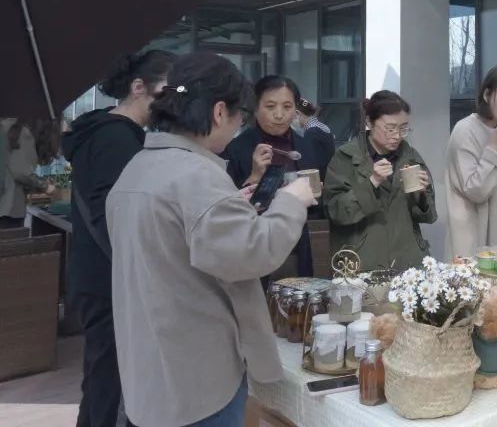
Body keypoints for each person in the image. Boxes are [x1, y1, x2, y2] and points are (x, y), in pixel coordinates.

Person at [107, 52, 315, 427]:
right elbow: (254, 252)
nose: (237, 127)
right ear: (219, 112)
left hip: (149, 370)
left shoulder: (137, 168)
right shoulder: (196, 174)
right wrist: (291, 201)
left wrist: (229, 207)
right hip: (198, 379)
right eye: (239, 117)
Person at [62, 50, 174, 427]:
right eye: (165, 93)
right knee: (111, 383)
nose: (171, 103)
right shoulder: (116, 139)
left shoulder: (107, 132)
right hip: (110, 280)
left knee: (102, 379)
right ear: (138, 87)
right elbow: (116, 219)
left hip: (98, 275)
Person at [222, 75, 324, 278]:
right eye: (270, 106)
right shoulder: (235, 149)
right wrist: (254, 176)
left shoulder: (304, 146)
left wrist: (315, 193)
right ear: (255, 108)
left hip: (296, 246)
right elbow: (225, 209)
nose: (279, 115)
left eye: (287, 107)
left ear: (295, 110)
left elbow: (314, 207)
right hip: (253, 248)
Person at [323, 90, 437, 268]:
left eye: (403, 128)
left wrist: (420, 196)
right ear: (369, 122)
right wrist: (371, 183)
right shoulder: (345, 157)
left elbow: (429, 216)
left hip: (407, 262)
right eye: (390, 129)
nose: (397, 136)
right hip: (362, 261)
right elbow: (336, 212)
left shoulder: (411, 156)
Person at [446, 64, 497, 258]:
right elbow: (475, 190)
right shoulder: (464, 130)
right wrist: (494, 147)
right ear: (487, 94)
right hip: (473, 235)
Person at [1, 118, 59, 228]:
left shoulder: (7, 126)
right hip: (8, 212)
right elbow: (20, 172)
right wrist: (46, 187)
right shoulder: (24, 133)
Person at [296, 97, 336, 174]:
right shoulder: (322, 127)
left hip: (318, 178)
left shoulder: (311, 133)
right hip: (329, 175)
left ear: (298, 114)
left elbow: (311, 164)